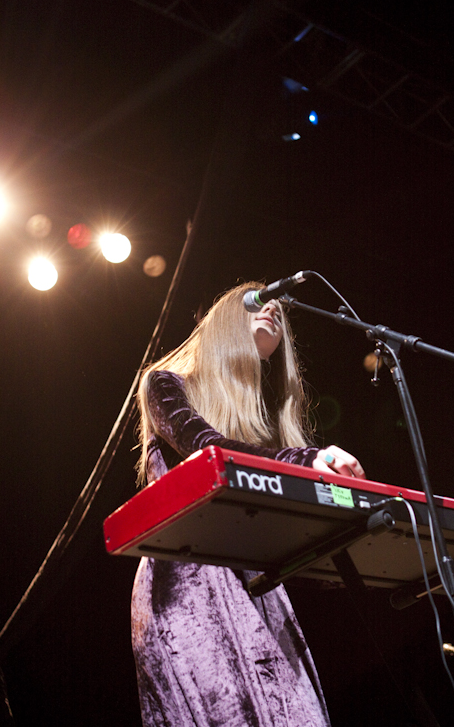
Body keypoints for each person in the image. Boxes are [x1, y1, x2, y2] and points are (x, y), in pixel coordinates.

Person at [131, 281, 365, 726]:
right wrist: (308, 458)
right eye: (259, 302)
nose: (273, 309)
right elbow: (206, 447)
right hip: (190, 582)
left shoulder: (256, 421)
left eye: (279, 309)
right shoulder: (163, 384)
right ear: (223, 321)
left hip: (253, 583)